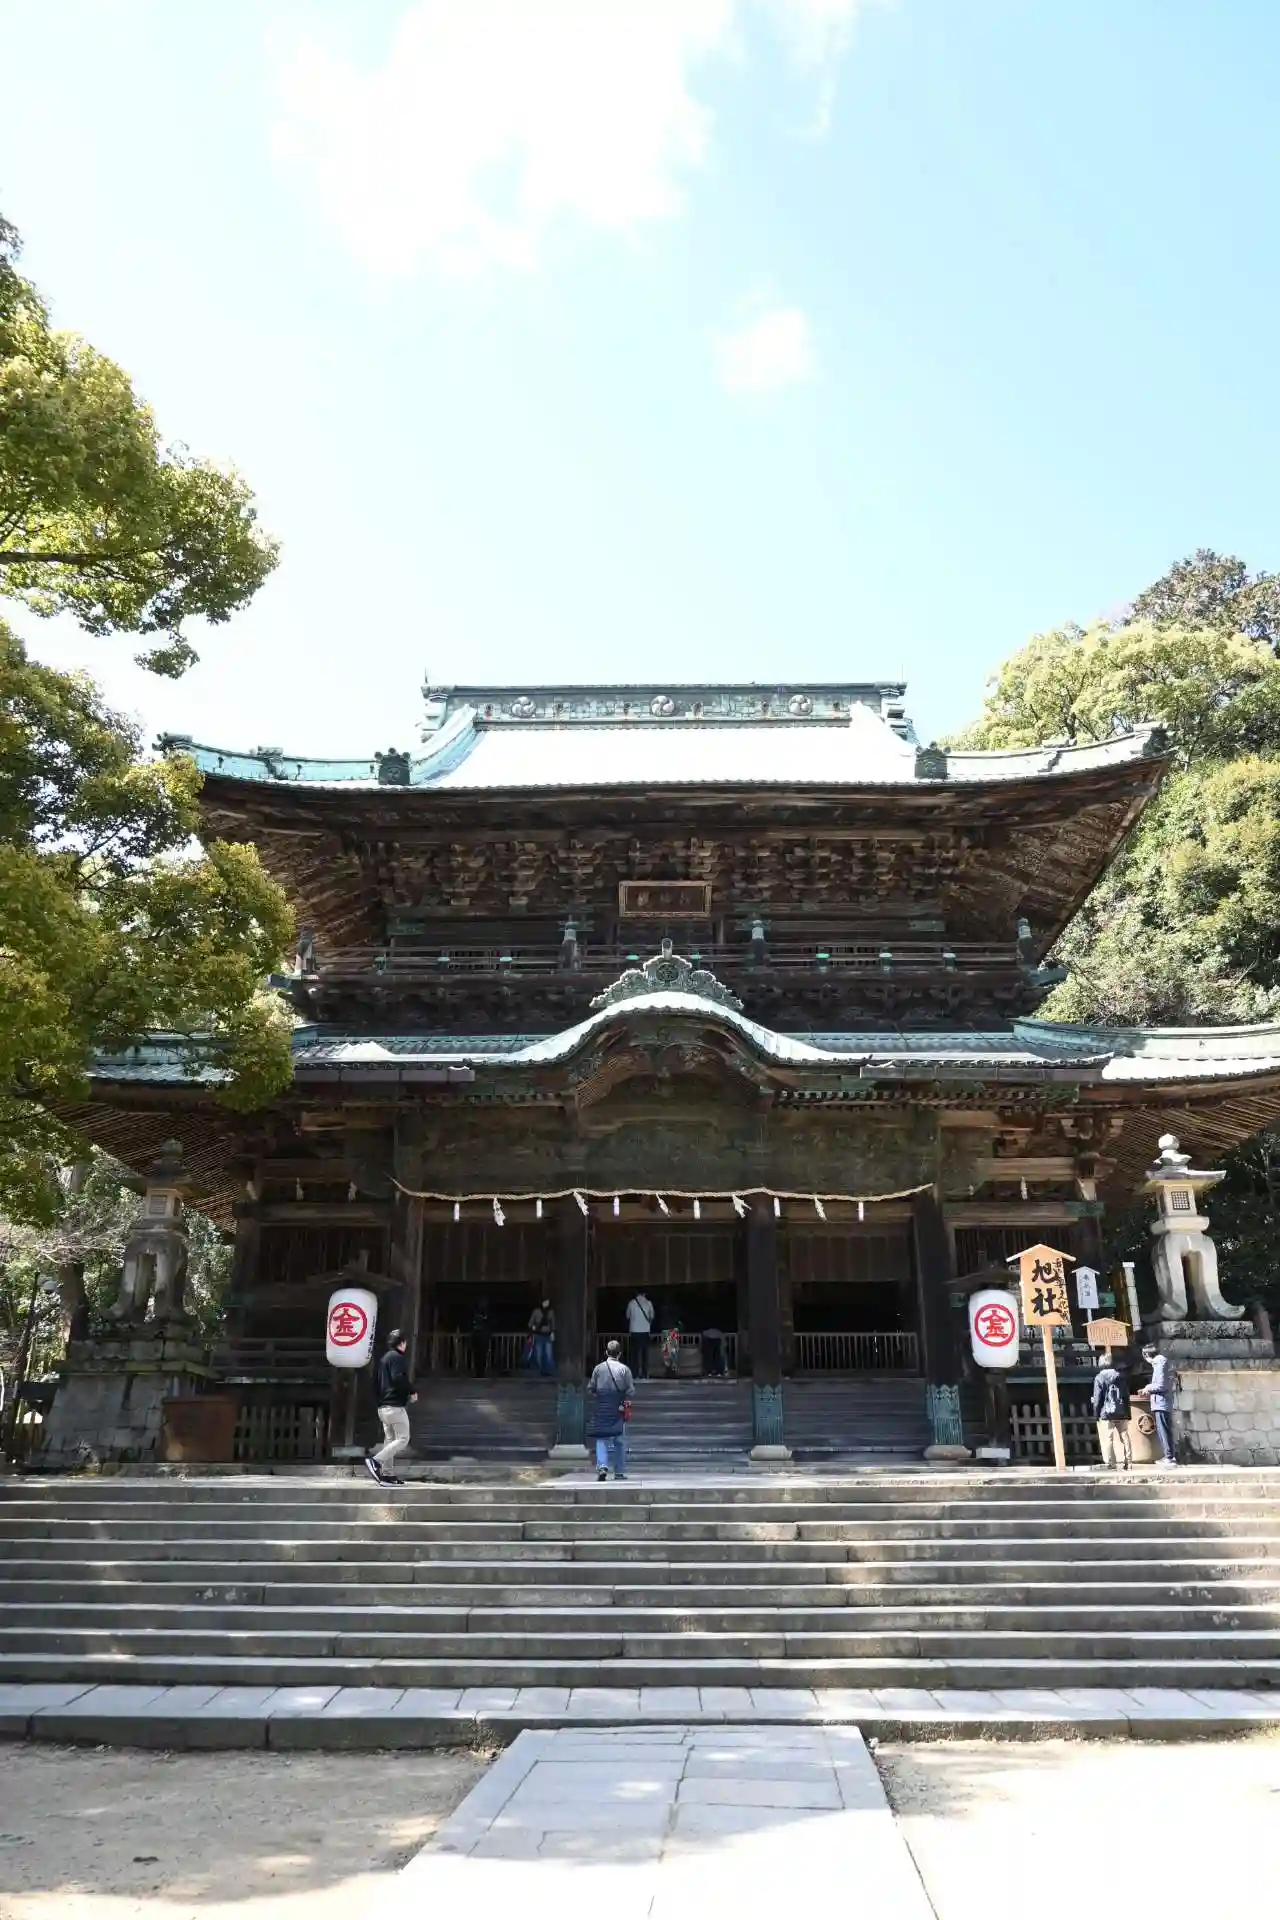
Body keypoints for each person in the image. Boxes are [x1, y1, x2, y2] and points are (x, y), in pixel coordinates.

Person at [365, 1328, 416, 1485]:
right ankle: (376, 1461)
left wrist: (379, 1402)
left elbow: (375, 1383)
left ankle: (387, 1474)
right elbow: (398, 1378)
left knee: (390, 1439)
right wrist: (412, 1391)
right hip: (394, 1406)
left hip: (383, 1407)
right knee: (403, 1438)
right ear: (402, 1343)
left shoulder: (384, 1359)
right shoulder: (397, 1358)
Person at [589, 1338, 634, 1481]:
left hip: (602, 1405)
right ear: (619, 1354)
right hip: (618, 1406)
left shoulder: (598, 1368)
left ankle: (602, 1466)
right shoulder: (624, 1369)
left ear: (606, 1352)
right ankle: (619, 1472)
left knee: (601, 1438)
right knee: (619, 1439)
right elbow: (631, 1390)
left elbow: (591, 1387)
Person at [1134, 1343, 1179, 1465]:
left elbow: (1160, 1385)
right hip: (1161, 1402)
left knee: (1163, 1430)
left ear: (1146, 1355)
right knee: (1164, 1429)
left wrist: (1147, 1388)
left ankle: (1169, 1457)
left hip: (1161, 1402)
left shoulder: (1159, 1364)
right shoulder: (1161, 1363)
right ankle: (1169, 1456)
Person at [1090, 1352, 1132, 1469]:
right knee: (1124, 1436)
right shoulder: (1121, 1376)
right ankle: (1128, 1462)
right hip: (1121, 1411)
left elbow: (1097, 1398)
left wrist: (1096, 1414)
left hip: (1106, 1412)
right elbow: (1126, 1396)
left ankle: (1111, 1463)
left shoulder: (1099, 1378)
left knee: (1108, 1438)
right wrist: (1128, 1413)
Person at [625, 1289, 655, 1378]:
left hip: (634, 1331)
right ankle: (644, 1373)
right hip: (645, 1331)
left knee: (634, 1354)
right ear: (644, 1293)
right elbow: (652, 1316)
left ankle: (635, 1373)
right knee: (644, 1354)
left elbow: (627, 1316)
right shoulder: (649, 1303)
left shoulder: (631, 1303)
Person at [527, 1299, 556, 1376]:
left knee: (549, 1354)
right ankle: (540, 1370)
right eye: (545, 1302)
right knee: (539, 1354)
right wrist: (533, 1328)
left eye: (548, 1302)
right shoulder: (536, 1311)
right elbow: (530, 1323)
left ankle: (549, 1370)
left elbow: (553, 1323)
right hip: (538, 1335)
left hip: (547, 1335)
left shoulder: (550, 1312)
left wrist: (553, 1332)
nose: (546, 1304)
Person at [470, 1296, 491, 1378]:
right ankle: (478, 1373)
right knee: (477, 1356)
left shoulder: (487, 1314)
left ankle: (481, 1373)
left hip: (483, 1338)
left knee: (482, 1356)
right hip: (477, 1337)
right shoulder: (475, 1313)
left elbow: (489, 1324)